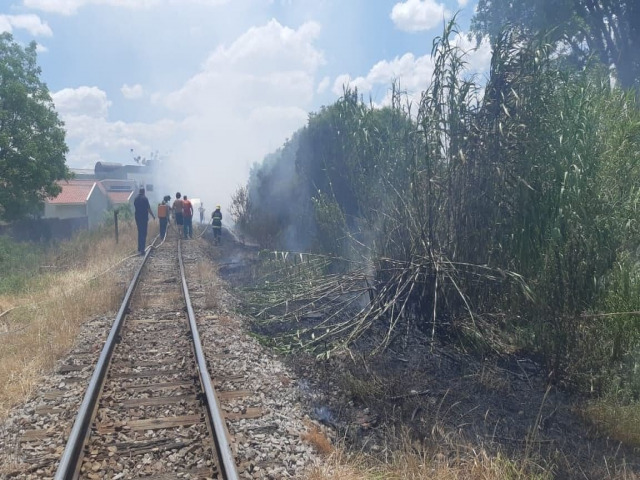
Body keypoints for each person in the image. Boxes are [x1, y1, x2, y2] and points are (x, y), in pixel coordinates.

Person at [134, 187, 155, 255]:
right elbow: (148, 208)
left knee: (140, 232)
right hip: (144, 218)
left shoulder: (136, 198)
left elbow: (135, 206)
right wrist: (153, 216)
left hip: (137, 217)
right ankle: (142, 249)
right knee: (144, 233)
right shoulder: (145, 198)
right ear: (144, 192)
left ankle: (139, 248)